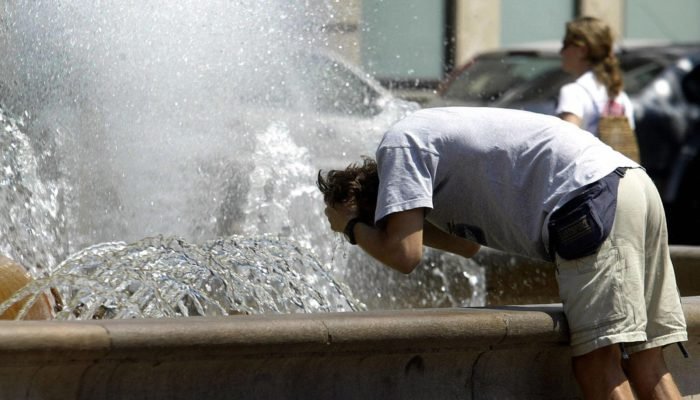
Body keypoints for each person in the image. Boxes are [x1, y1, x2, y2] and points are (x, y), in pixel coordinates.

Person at [317, 107, 687, 399]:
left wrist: (351, 227)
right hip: (630, 183)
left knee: (596, 365)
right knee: (647, 363)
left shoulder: (397, 147)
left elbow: (404, 255)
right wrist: (395, 225)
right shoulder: (430, 154)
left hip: (588, 201)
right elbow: (466, 246)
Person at [557, 16, 635, 134]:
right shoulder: (619, 95)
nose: (561, 52)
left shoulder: (573, 92)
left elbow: (567, 144)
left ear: (582, 51)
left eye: (565, 44)